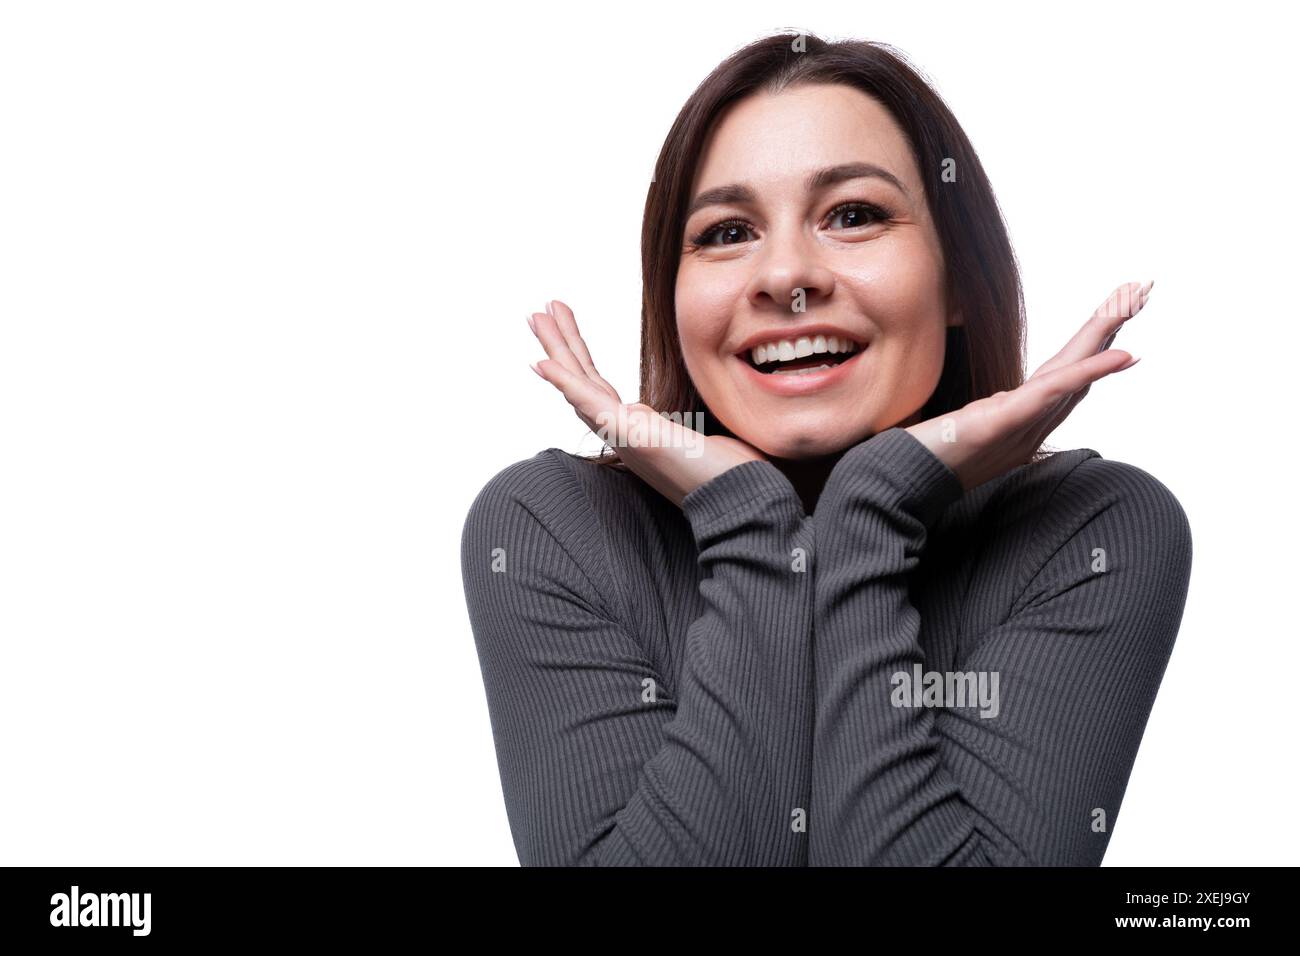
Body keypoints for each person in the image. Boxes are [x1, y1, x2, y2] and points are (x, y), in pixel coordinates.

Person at [460, 33, 1192, 866]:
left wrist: (868, 510)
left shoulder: (1091, 532)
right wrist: (752, 524)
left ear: (959, 280)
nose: (787, 278)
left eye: (854, 215)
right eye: (727, 231)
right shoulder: (550, 529)